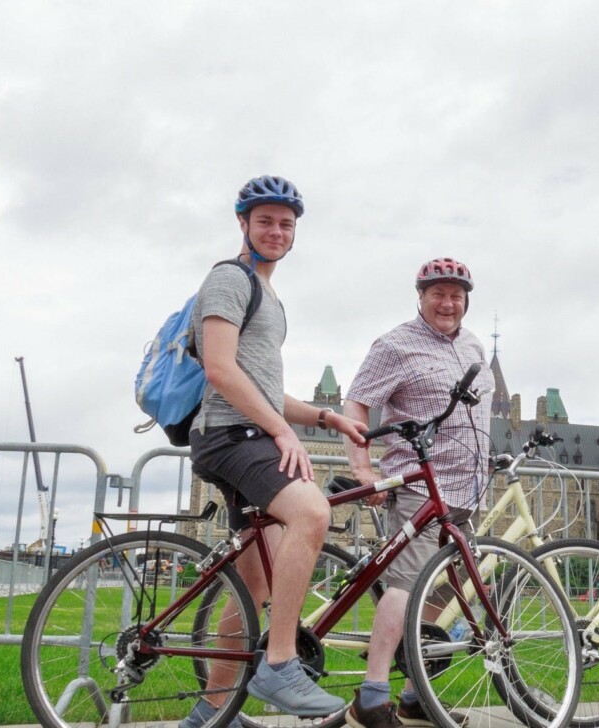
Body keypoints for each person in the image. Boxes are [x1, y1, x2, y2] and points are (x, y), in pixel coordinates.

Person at [185, 176, 368, 727]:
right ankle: (279, 663)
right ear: (243, 223)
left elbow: (261, 387)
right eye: (265, 220)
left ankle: (209, 714)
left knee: (255, 584)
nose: (276, 231)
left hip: (248, 432)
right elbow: (219, 369)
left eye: (286, 224)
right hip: (230, 435)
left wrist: (319, 417)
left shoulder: (268, 296)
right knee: (313, 511)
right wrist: (282, 434)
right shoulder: (228, 280)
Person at [343, 257, 492, 728]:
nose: (448, 303)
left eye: (456, 295)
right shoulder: (395, 345)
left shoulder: (472, 345)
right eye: (438, 294)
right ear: (421, 296)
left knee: (442, 595)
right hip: (418, 487)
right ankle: (371, 695)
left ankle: (413, 696)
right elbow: (357, 401)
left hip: (466, 491)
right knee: (406, 586)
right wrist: (361, 466)